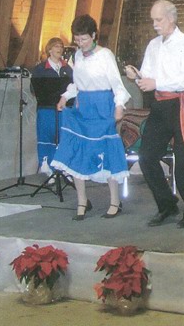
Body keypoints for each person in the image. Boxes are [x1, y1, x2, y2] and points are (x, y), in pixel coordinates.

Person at [125, 0, 184, 229]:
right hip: (161, 106)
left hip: (182, 105)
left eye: (158, 19)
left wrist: (155, 81)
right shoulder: (153, 45)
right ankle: (167, 204)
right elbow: (148, 76)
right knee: (147, 156)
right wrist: (137, 76)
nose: (155, 24)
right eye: (153, 20)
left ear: (171, 18)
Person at [51, 15, 131, 220]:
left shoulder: (105, 55)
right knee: (77, 151)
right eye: (77, 40)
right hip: (83, 107)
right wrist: (65, 96)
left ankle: (115, 201)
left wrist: (119, 105)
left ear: (94, 35)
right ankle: (82, 201)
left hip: (103, 106)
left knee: (107, 152)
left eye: (84, 39)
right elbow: (77, 84)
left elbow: (117, 85)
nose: (80, 43)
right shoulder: (77, 56)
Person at [32, 38, 73, 173]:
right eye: (56, 46)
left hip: (64, 109)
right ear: (49, 49)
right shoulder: (40, 69)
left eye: (61, 46)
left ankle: (64, 167)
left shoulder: (67, 68)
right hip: (47, 109)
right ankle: (47, 165)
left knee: (64, 137)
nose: (59, 49)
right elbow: (34, 89)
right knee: (47, 136)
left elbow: (73, 87)